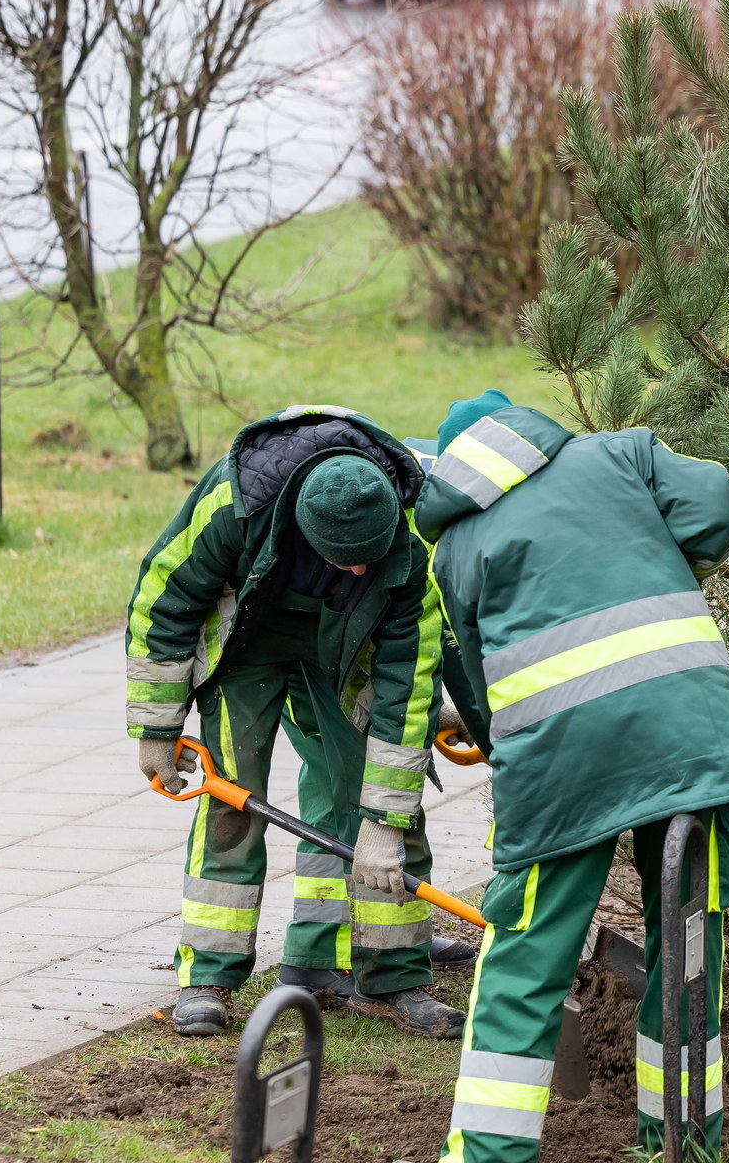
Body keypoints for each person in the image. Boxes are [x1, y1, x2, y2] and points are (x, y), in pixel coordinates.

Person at [379, 391, 729, 1163]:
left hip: (564, 767)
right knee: (690, 939)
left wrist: (486, 726)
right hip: (691, 736)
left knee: (524, 951)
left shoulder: (454, 545)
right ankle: (684, 1146)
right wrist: (659, 566)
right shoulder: (618, 453)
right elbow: (718, 504)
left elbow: (480, 685)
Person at [126, 405, 471, 1040]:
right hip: (245, 640)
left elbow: (407, 685)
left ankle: (385, 976)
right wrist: (155, 725)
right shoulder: (236, 502)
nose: (363, 569)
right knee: (231, 801)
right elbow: (164, 598)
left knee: (367, 793)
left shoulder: (409, 544)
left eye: (371, 559)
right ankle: (207, 976)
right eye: (348, 561)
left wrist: (385, 822)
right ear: (306, 532)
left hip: (344, 639)